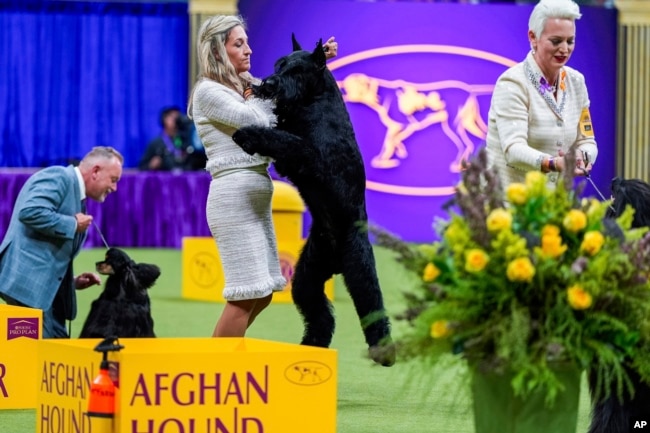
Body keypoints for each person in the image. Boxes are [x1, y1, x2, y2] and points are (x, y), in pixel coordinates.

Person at [187, 14, 337, 337]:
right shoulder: (208, 92)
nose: (249, 50)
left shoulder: (246, 86)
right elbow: (257, 121)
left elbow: (283, 92)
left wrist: (315, 62)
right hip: (233, 198)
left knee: (265, 291)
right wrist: (263, 98)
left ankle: (224, 360)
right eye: (238, 44)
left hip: (254, 195)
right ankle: (217, 371)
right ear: (217, 51)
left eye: (247, 42)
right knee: (246, 294)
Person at [0, 146, 123, 338]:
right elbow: (30, 211)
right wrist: (72, 223)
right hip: (27, 289)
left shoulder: (76, 193)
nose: (114, 188)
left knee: (56, 355)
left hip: (42, 292)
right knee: (39, 360)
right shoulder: (59, 177)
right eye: (113, 180)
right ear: (96, 171)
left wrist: (71, 283)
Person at [485, 0, 598, 190]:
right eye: (556, 41)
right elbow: (513, 149)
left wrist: (582, 157)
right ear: (533, 37)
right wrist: (553, 163)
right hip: (505, 206)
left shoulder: (577, 82)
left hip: (553, 206)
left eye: (570, 41)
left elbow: (587, 141)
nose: (564, 49)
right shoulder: (512, 83)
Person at [139, 105, 207, 171]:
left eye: (177, 117)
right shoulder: (156, 143)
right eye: (172, 117)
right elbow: (141, 167)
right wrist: (151, 165)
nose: (176, 121)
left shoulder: (184, 139)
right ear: (164, 120)